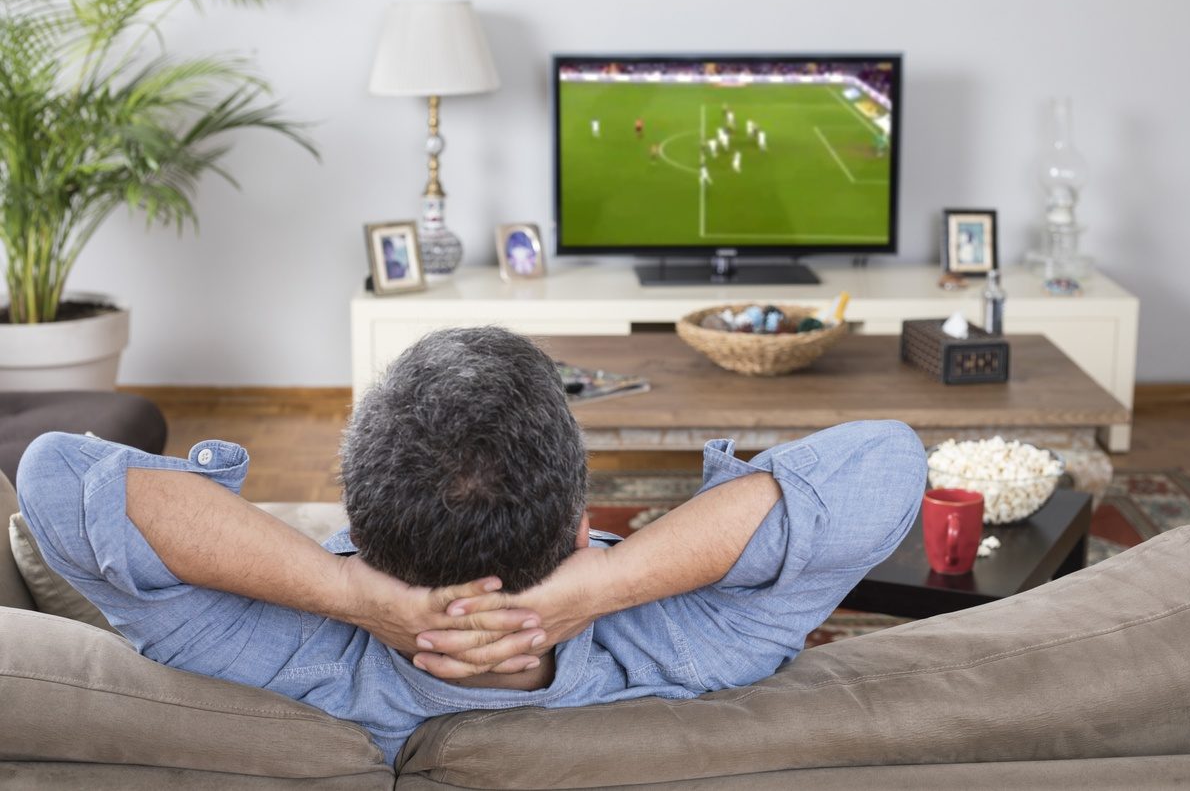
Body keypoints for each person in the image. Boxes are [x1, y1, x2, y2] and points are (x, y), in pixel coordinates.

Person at [16, 328, 925, 765]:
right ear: (580, 519)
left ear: (357, 520)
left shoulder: (264, 653)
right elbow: (887, 462)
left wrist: (355, 602)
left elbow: (58, 476)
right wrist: (597, 589)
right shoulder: (699, 644)